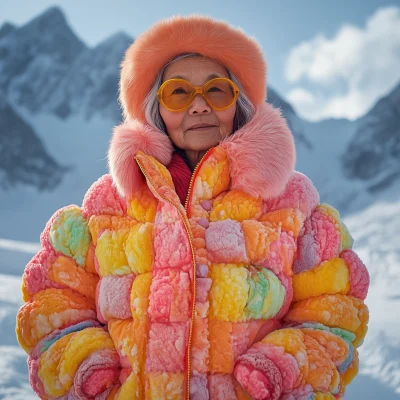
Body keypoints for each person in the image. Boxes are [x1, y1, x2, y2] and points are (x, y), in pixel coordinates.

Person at [16, 15, 370, 400]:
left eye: (217, 91)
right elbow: (54, 298)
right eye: (178, 93)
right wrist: (92, 376)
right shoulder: (109, 203)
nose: (199, 106)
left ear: (239, 103)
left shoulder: (291, 202)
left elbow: (335, 308)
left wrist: (275, 374)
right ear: (155, 108)